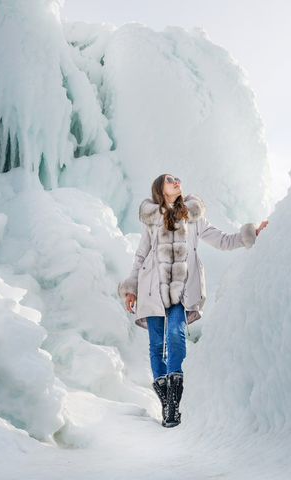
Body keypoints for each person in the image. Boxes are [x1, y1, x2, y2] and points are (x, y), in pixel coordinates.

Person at [117, 173, 269, 427]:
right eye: (169, 180)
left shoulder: (193, 217)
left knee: (175, 336)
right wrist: (131, 287)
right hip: (151, 288)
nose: (176, 181)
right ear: (160, 189)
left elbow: (222, 240)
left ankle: (174, 402)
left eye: (177, 179)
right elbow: (141, 255)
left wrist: (250, 234)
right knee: (156, 346)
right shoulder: (151, 221)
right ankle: (165, 402)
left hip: (182, 290)